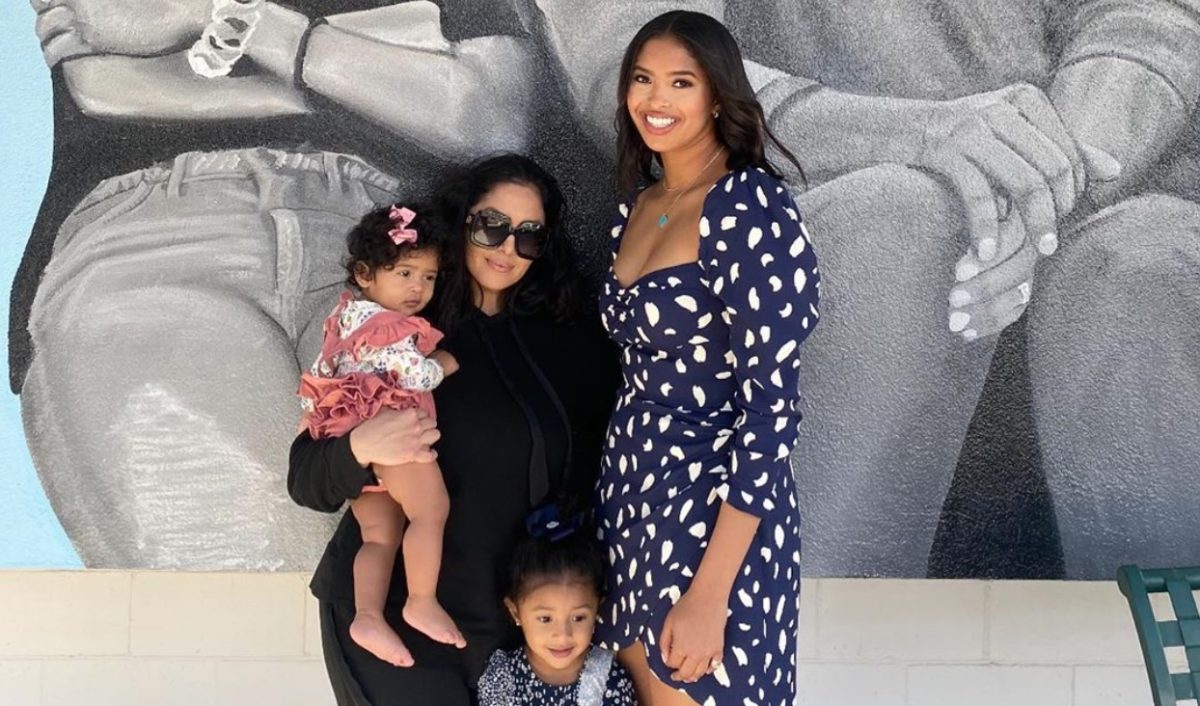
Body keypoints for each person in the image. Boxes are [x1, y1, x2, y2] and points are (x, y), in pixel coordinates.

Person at [536, 0, 1200, 579]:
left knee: (1145, 265)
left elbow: (1148, 18)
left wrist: (1043, 182)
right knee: (901, 218)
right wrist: (926, 137)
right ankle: (806, 652)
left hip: (1081, 185)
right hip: (823, 201)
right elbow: (629, 64)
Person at [19, 0, 540, 569]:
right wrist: (376, 59)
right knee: (243, 586)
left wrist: (229, 22)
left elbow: (488, 121)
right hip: (162, 231)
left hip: (386, 255)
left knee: (425, 549)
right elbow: (96, 73)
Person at [289, 154, 621, 705]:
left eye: (529, 235)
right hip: (395, 625)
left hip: (518, 636)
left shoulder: (571, 341)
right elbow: (306, 480)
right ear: (461, 224)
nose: (507, 249)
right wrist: (362, 444)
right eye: (491, 226)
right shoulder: (402, 335)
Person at [593, 12, 819, 706]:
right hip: (631, 499)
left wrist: (711, 591)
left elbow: (772, 413)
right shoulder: (640, 203)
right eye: (642, 80)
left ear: (718, 97)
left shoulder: (750, 207)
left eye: (680, 83)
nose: (655, 101)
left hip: (714, 517)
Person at [298, 203, 466, 666]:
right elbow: (415, 375)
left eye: (429, 277)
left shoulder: (345, 318)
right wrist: (443, 365)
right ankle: (421, 600)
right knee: (431, 511)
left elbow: (321, 370)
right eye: (405, 272)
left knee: (378, 534)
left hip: (350, 434)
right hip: (392, 434)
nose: (418, 287)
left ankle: (368, 615)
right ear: (365, 273)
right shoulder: (390, 326)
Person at [477, 507, 636, 706]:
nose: (563, 635)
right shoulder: (503, 674)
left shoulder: (609, 679)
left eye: (578, 618)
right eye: (545, 619)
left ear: (597, 610)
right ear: (515, 611)